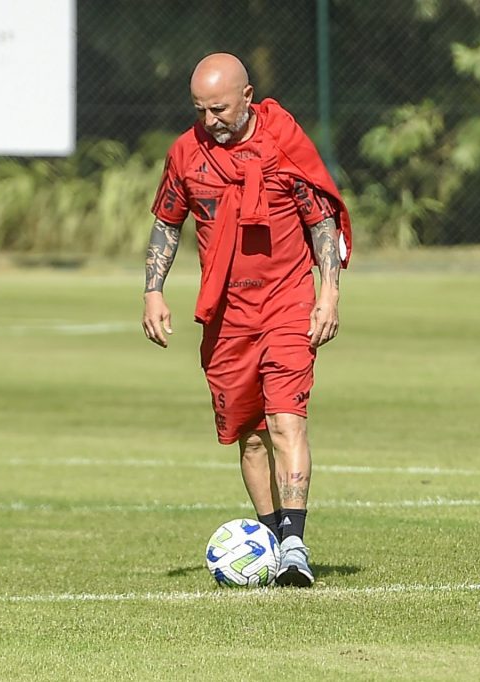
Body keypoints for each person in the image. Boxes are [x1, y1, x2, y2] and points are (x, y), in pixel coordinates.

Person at [141, 52, 351, 587]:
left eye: (219, 108)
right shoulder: (186, 155)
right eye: (200, 109)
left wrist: (328, 293)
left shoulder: (283, 144)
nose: (209, 119)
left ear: (247, 97)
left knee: (286, 421)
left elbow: (321, 220)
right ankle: (273, 540)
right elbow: (168, 222)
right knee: (250, 434)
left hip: (286, 303)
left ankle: (296, 545)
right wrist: (153, 290)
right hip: (226, 316)